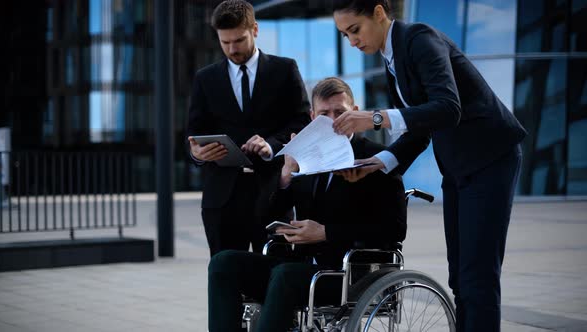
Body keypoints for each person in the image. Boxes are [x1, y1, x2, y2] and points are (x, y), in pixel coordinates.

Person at [330, 1, 527, 331]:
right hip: (458, 167)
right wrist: (378, 163)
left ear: (379, 13)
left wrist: (375, 118)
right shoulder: (391, 58)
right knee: (460, 277)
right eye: (344, 35)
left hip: (491, 160)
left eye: (355, 30)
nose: (352, 41)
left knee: (477, 277)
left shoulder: (419, 39)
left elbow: (449, 108)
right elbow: (420, 128)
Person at [207, 77, 407, 332]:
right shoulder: (305, 156)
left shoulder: (377, 159)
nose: (333, 121)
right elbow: (261, 218)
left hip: (352, 272)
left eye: (341, 113)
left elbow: (394, 229)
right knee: (224, 263)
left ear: (355, 113)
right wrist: (285, 175)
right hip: (301, 267)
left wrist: (325, 232)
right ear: (312, 117)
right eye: (324, 114)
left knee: (285, 276)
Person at [186, 0, 311, 257]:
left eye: (239, 40)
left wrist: (271, 145)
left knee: (276, 279)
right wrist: (197, 155)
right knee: (226, 281)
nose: (232, 49)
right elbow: (193, 134)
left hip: (273, 194)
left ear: (255, 29)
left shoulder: (284, 69)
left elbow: (302, 123)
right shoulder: (205, 78)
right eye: (225, 42)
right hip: (222, 199)